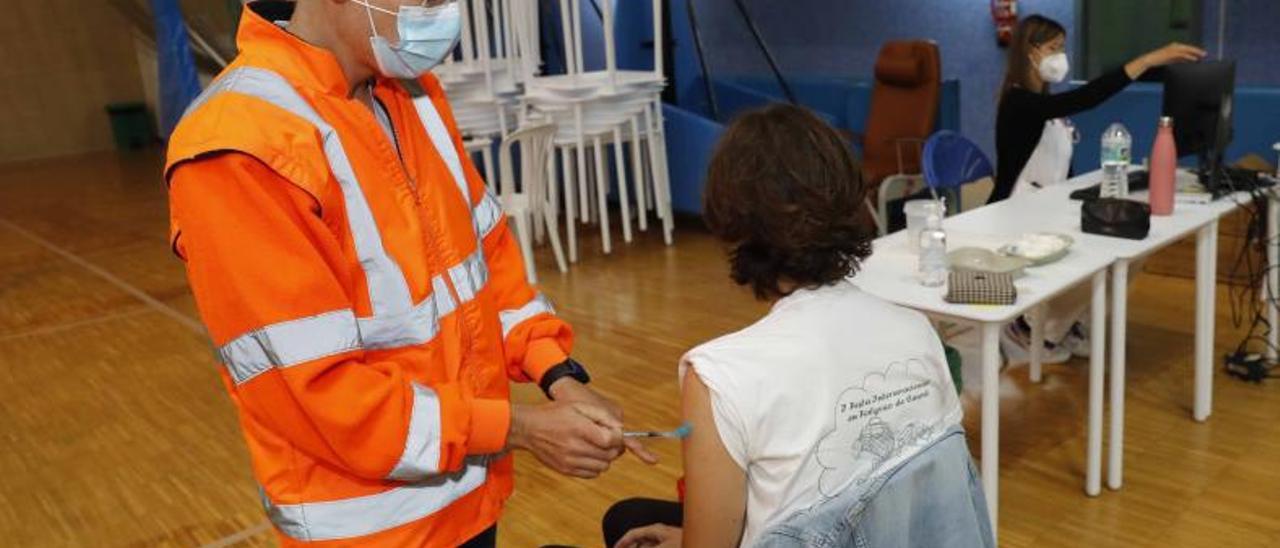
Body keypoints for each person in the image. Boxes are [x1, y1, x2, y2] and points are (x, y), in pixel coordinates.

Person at [164, 1, 653, 546]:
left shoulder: (412, 95)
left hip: (469, 501)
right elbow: (321, 394)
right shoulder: (240, 149)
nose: (442, 11)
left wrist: (556, 374)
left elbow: (487, 265)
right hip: (372, 529)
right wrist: (517, 428)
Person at [607, 105, 989, 548]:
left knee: (624, 522)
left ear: (732, 225)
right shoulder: (917, 330)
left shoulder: (720, 377)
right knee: (630, 516)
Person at [992, 15, 1204, 363]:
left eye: (1062, 47)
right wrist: (1149, 60)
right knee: (1098, 253)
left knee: (1127, 249)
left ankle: (1065, 323)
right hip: (1019, 211)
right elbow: (1087, 98)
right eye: (1053, 48)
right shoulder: (1020, 103)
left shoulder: (1042, 102)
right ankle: (1032, 328)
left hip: (1049, 203)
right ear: (1030, 52)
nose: (1061, 56)